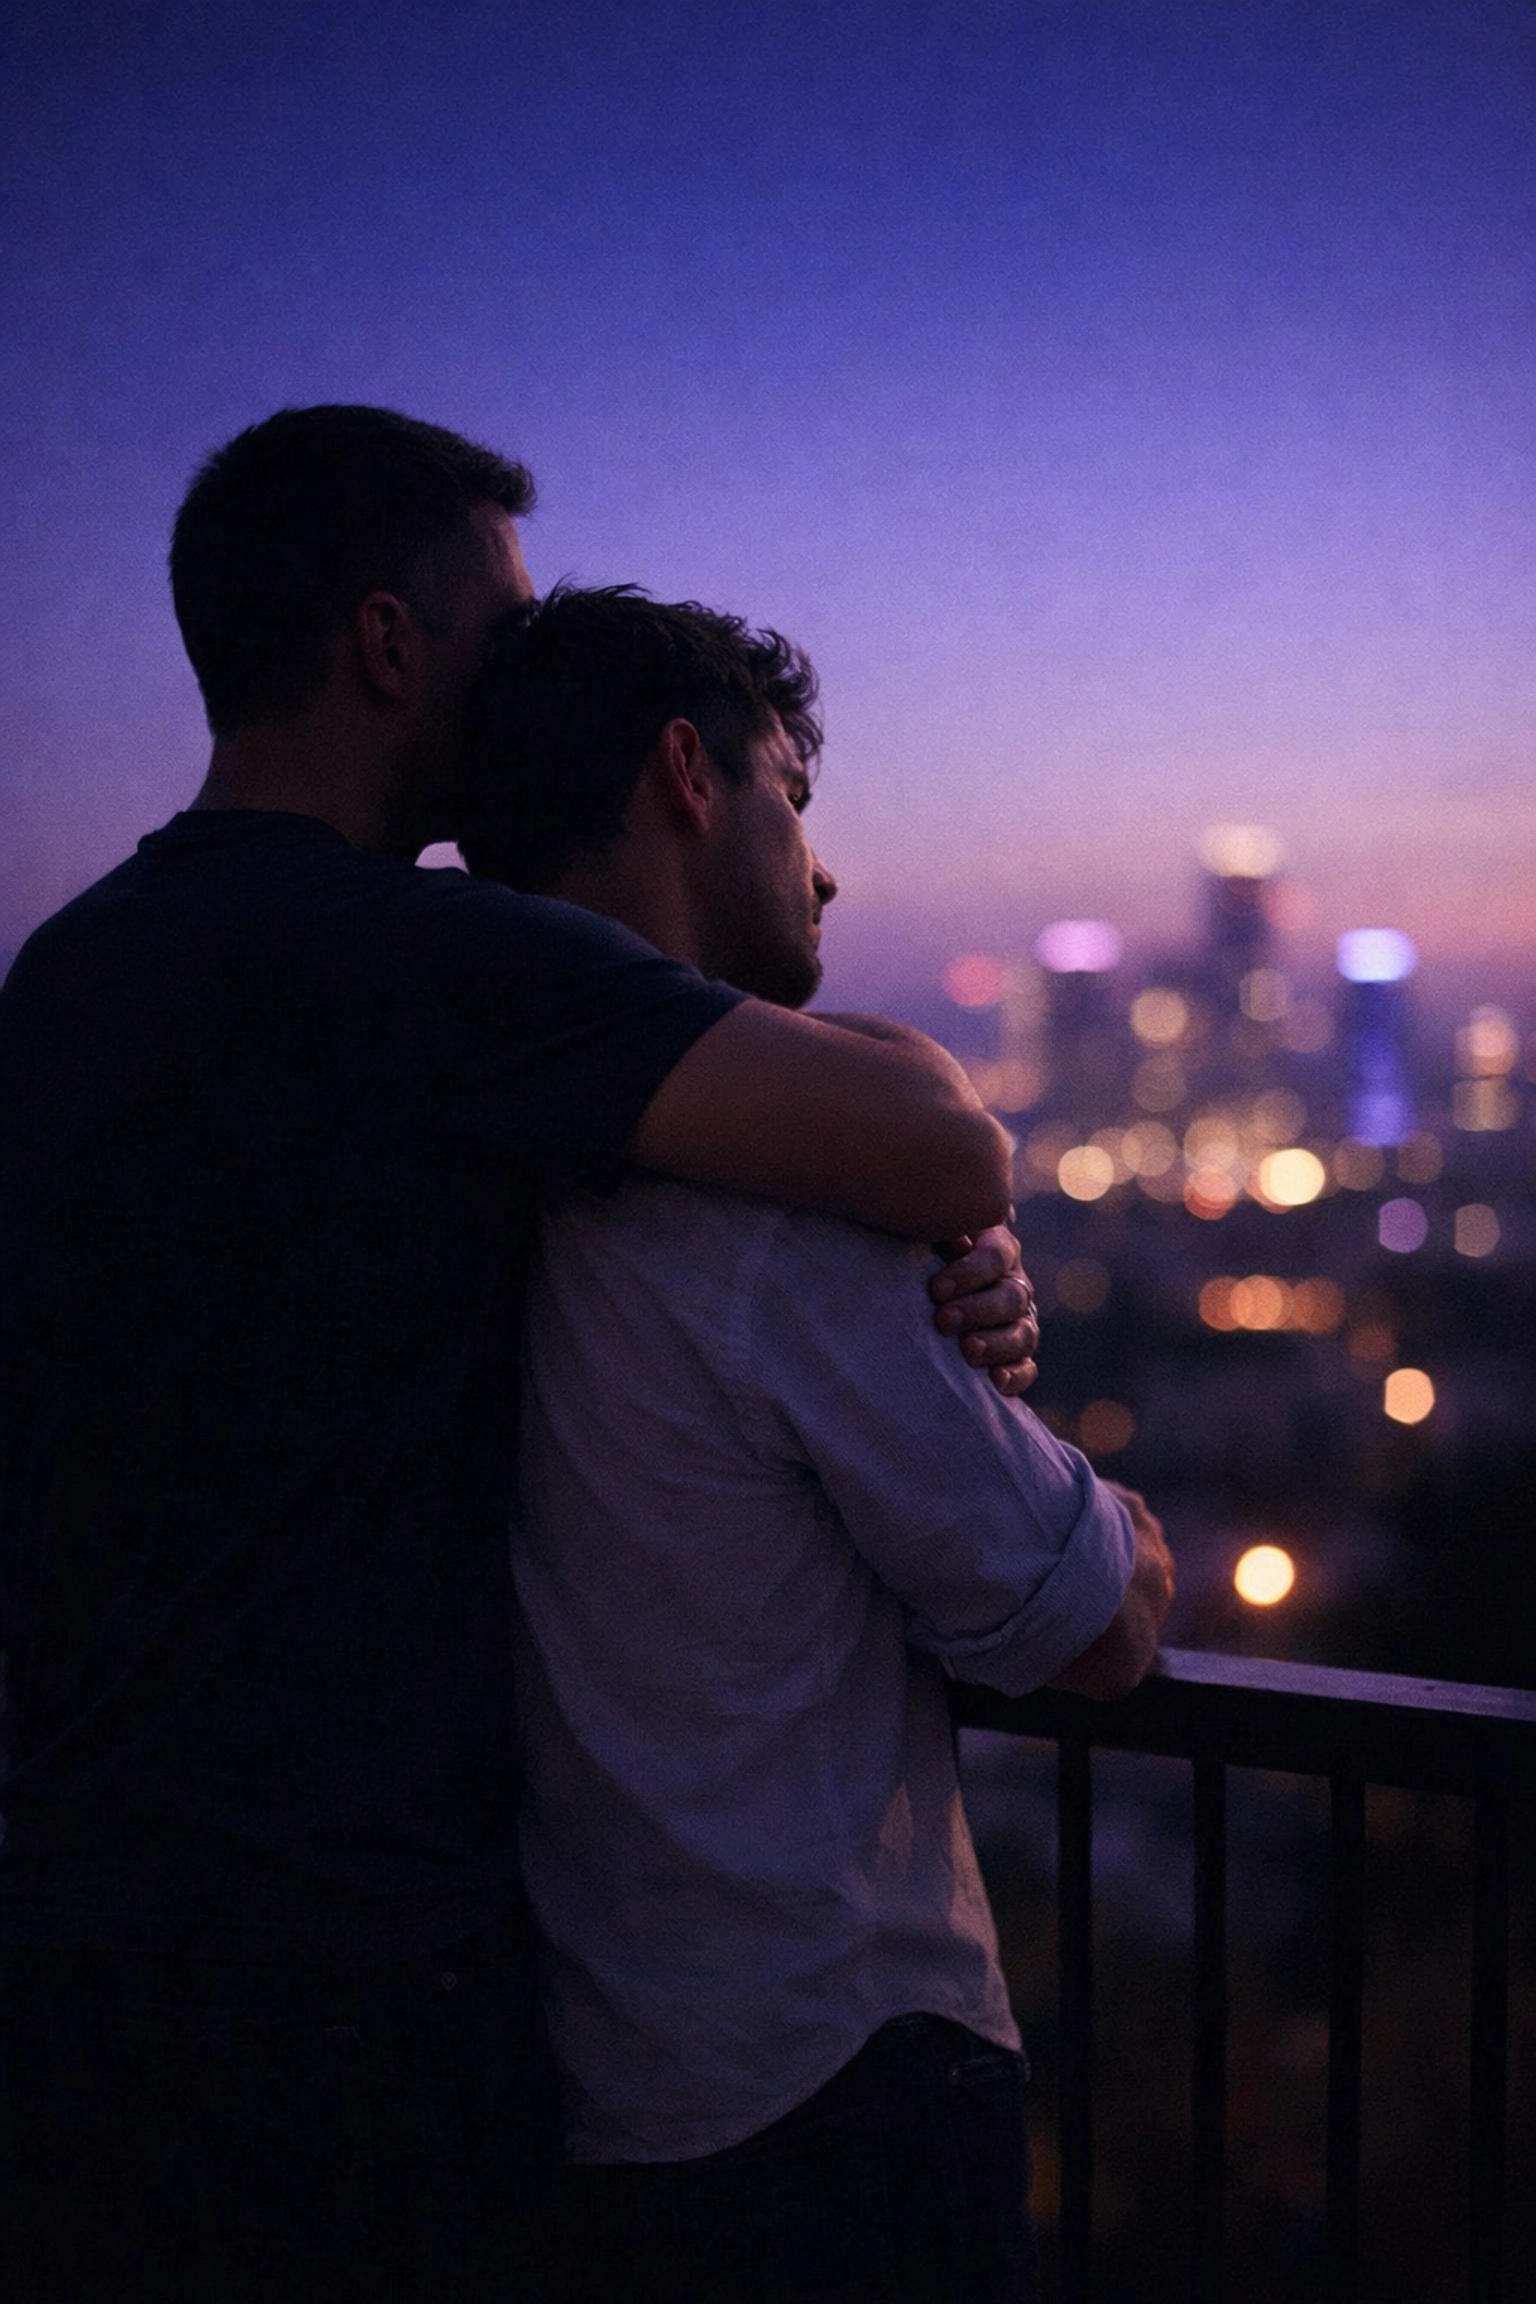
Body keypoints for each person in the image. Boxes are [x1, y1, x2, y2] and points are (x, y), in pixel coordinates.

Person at [0, 407, 1042, 2304]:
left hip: (75, 1943)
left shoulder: (61, 979)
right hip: (362, 1978)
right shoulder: (429, 960)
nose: (520, 683)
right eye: (502, 631)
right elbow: (946, 1149)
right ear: (393, 646)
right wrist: (963, 1213)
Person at [456, 586, 1176, 2304]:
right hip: (834, 2087)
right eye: (797, 790)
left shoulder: (455, 1160)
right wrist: (1132, 1522)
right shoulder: (779, 1213)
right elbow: (1095, 1622)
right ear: (692, 778)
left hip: (576, 2093)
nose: (828, 867)